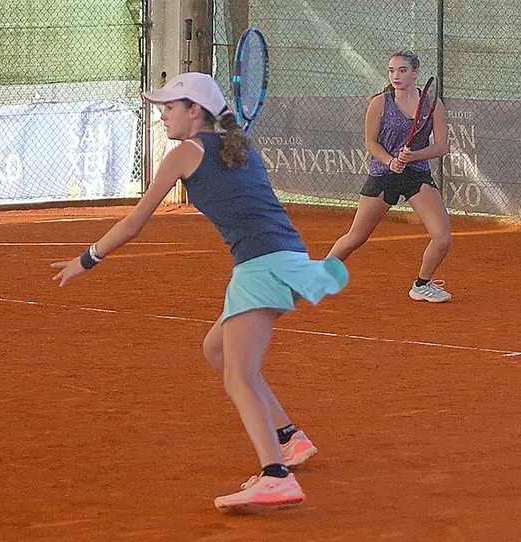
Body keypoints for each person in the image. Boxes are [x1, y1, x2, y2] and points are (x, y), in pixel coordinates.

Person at [50, 72, 348, 514]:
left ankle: (274, 477)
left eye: (170, 107)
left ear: (194, 111)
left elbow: (134, 224)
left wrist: (87, 258)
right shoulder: (240, 147)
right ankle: (289, 438)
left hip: (259, 266)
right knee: (217, 350)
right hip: (287, 259)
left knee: (239, 376)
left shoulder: (185, 153)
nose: (164, 115)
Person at [327, 50, 452, 302]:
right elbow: (371, 143)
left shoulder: (432, 105)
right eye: (392, 71)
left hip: (416, 176)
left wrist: (412, 157)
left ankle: (421, 285)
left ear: (415, 73)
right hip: (383, 176)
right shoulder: (379, 103)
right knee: (355, 238)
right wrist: (390, 161)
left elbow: (441, 147)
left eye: (402, 70)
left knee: (442, 236)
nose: (396, 75)